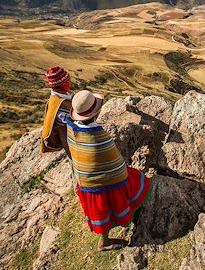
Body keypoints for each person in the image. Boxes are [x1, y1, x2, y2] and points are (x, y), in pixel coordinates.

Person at [66, 90, 151, 251]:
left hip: (84, 181)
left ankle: (104, 240)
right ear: (96, 113)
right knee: (139, 182)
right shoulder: (98, 136)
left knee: (100, 212)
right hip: (104, 183)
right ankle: (133, 217)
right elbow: (116, 165)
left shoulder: (71, 129)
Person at [40, 66, 72, 158]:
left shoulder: (58, 98)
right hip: (73, 147)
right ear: (63, 84)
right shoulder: (60, 106)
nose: (70, 82)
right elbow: (68, 130)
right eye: (68, 81)